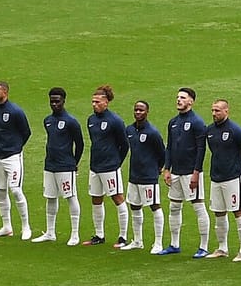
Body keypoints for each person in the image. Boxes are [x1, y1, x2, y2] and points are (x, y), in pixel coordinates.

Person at [162, 87, 210, 257]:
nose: (179, 100)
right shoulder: (173, 122)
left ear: (191, 101)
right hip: (176, 172)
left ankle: (204, 246)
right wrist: (167, 168)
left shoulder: (197, 122)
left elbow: (201, 149)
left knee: (198, 206)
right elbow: (169, 147)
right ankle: (174, 244)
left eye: (183, 97)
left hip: (191, 172)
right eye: (177, 97)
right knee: (174, 206)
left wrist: (197, 172)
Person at [205, 99, 241, 260]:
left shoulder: (236, 130)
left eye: (218, 110)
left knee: (238, 212)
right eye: (213, 110)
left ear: (227, 111)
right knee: (219, 213)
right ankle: (222, 248)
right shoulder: (210, 130)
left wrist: (239, 168)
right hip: (216, 177)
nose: (214, 113)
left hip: (233, 178)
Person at [38, 86, 85, 245]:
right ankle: (50, 232)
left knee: (71, 197)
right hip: (50, 165)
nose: (54, 104)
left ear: (63, 101)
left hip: (66, 166)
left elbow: (80, 144)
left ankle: (75, 234)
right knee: (50, 197)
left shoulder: (71, 122)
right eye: (51, 101)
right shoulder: (48, 120)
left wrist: (74, 162)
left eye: (57, 101)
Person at [0, 81, 32, 239]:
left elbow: (26, 132)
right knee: (0, 192)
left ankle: (26, 227)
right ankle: (6, 226)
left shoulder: (16, 111)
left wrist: (15, 147)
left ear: (5, 93)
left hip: (12, 157)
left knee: (16, 190)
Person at [85, 85, 129, 247]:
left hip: (110, 167)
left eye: (97, 101)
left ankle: (123, 237)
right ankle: (99, 235)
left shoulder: (115, 121)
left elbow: (124, 145)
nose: (94, 104)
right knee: (96, 199)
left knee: (117, 198)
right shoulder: (91, 120)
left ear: (106, 102)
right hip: (95, 167)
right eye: (92, 102)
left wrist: (117, 163)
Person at [124, 100, 166, 251]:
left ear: (147, 112)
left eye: (141, 110)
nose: (138, 112)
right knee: (135, 206)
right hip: (134, 175)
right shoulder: (129, 130)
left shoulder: (152, 132)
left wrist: (158, 168)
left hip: (149, 176)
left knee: (154, 206)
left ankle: (159, 243)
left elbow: (162, 153)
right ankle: (137, 241)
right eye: (136, 110)